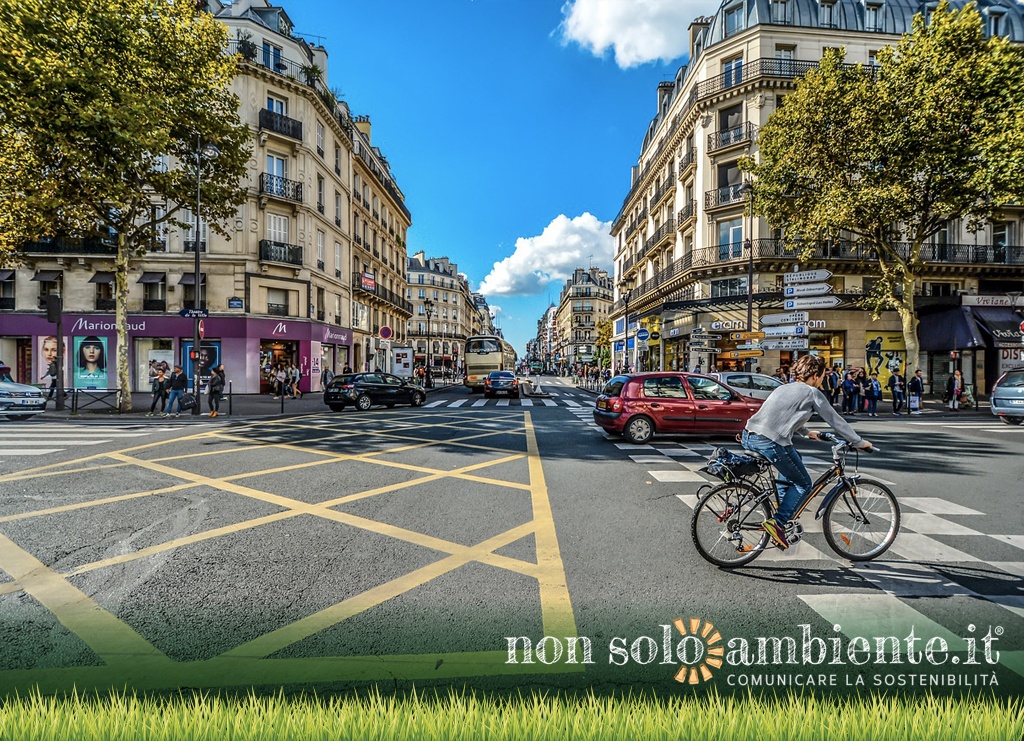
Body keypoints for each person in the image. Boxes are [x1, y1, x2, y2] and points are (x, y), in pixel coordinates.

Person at [742, 354, 873, 550]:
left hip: (749, 435)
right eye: (822, 376)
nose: (822, 380)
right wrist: (859, 442)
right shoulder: (812, 392)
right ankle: (778, 522)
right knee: (804, 483)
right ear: (816, 375)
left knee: (795, 459)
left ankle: (783, 509)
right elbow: (835, 420)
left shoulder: (783, 387)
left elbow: (782, 415)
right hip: (771, 442)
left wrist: (806, 432)